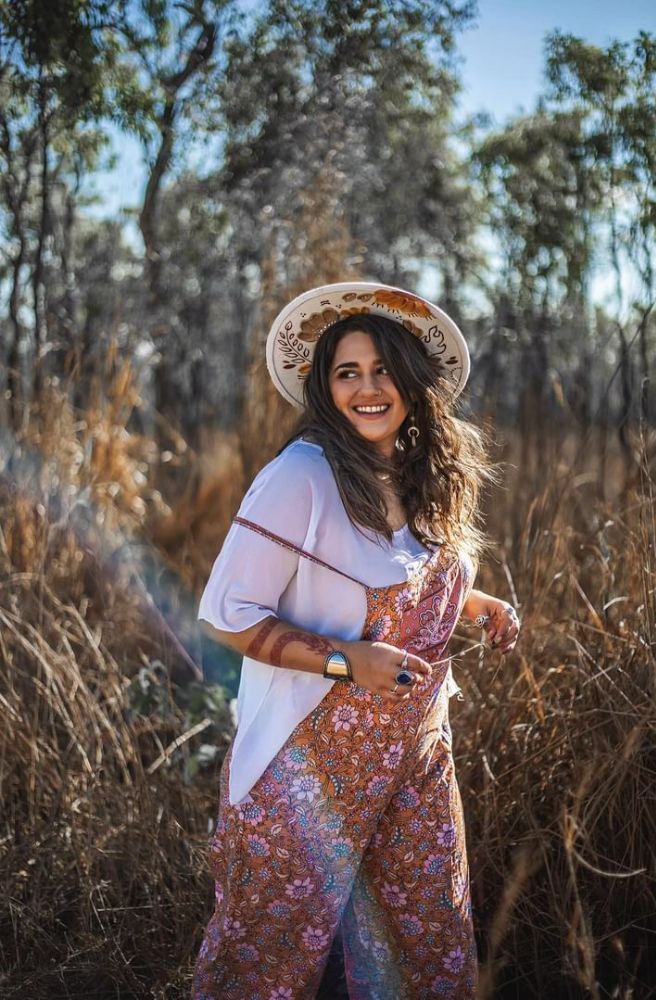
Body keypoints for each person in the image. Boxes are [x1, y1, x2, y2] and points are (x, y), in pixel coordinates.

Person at [192, 282, 520, 1000]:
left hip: (418, 762)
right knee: (270, 961)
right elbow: (227, 614)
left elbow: (399, 575)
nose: (368, 389)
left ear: (412, 380)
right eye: (348, 372)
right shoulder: (300, 477)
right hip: (308, 769)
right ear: (325, 385)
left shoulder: (422, 470)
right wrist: (346, 662)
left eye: (383, 370)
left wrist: (473, 603)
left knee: (422, 948)